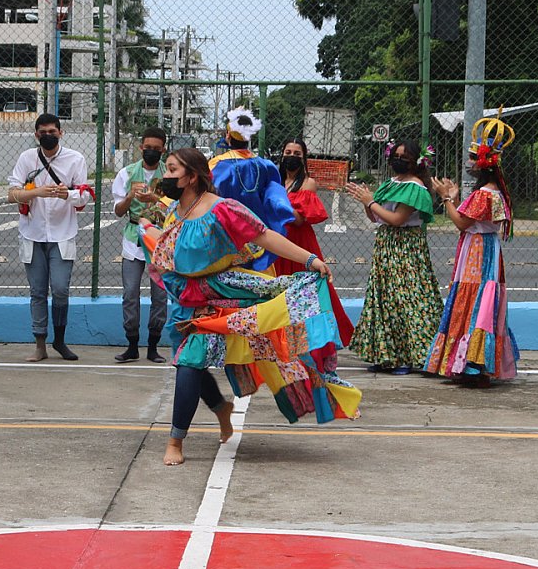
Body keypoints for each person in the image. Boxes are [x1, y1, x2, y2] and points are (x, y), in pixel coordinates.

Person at [142, 147, 361, 466]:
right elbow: (163, 243)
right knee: (189, 362)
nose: (166, 175)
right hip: (192, 298)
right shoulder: (176, 210)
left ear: (191, 177)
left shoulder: (224, 209)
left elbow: (265, 236)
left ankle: (176, 440)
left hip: (230, 295)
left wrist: (310, 259)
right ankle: (215, 413)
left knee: (196, 360)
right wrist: (145, 225)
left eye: (173, 169)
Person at [425, 119, 518, 386]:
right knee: (482, 302)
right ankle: (475, 362)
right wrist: (455, 198)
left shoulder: (483, 195)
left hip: (477, 252)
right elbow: (470, 219)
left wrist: (445, 197)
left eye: (473, 158)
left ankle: (471, 364)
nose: (469, 162)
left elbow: (462, 223)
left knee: (473, 299)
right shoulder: (495, 192)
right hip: (487, 249)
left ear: (483, 163)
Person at [345, 139, 442, 375]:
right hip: (386, 245)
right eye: (395, 156)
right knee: (386, 298)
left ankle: (412, 356)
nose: (398, 160)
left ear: (416, 162)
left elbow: (397, 219)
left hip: (405, 247)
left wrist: (370, 201)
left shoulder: (416, 187)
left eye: (404, 157)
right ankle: (388, 355)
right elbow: (376, 217)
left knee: (406, 299)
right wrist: (367, 203)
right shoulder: (391, 183)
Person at [7, 112, 90, 361]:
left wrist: (67, 195)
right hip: (32, 234)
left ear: (61, 133)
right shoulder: (27, 158)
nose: (47, 136)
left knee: (61, 289)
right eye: (42, 132)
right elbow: (12, 193)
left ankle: (60, 341)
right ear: (36, 135)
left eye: (52, 132)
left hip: (63, 234)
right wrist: (36, 192)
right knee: (38, 291)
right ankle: (40, 344)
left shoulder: (75, 159)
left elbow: (85, 196)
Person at [272, 136, 354, 372]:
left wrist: (275, 202)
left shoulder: (308, 183)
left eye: (297, 154)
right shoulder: (275, 180)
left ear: (304, 158)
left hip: (299, 242)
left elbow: (298, 219)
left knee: (310, 293)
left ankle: (320, 346)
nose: (292, 157)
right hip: (276, 241)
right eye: (288, 152)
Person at [207, 107, 295, 270]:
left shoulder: (217, 165)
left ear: (228, 135)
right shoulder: (266, 165)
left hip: (227, 235)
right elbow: (275, 198)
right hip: (258, 235)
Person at [111, 126, 170, 363]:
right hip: (133, 237)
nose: (151, 152)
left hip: (161, 238)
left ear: (163, 150)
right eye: (147, 148)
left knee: (160, 295)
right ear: (140, 147)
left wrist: (155, 198)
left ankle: (153, 345)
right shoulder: (126, 173)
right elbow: (118, 211)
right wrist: (129, 197)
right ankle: (132, 344)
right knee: (130, 293)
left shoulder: (170, 174)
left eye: (156, 148)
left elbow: (178, 209)